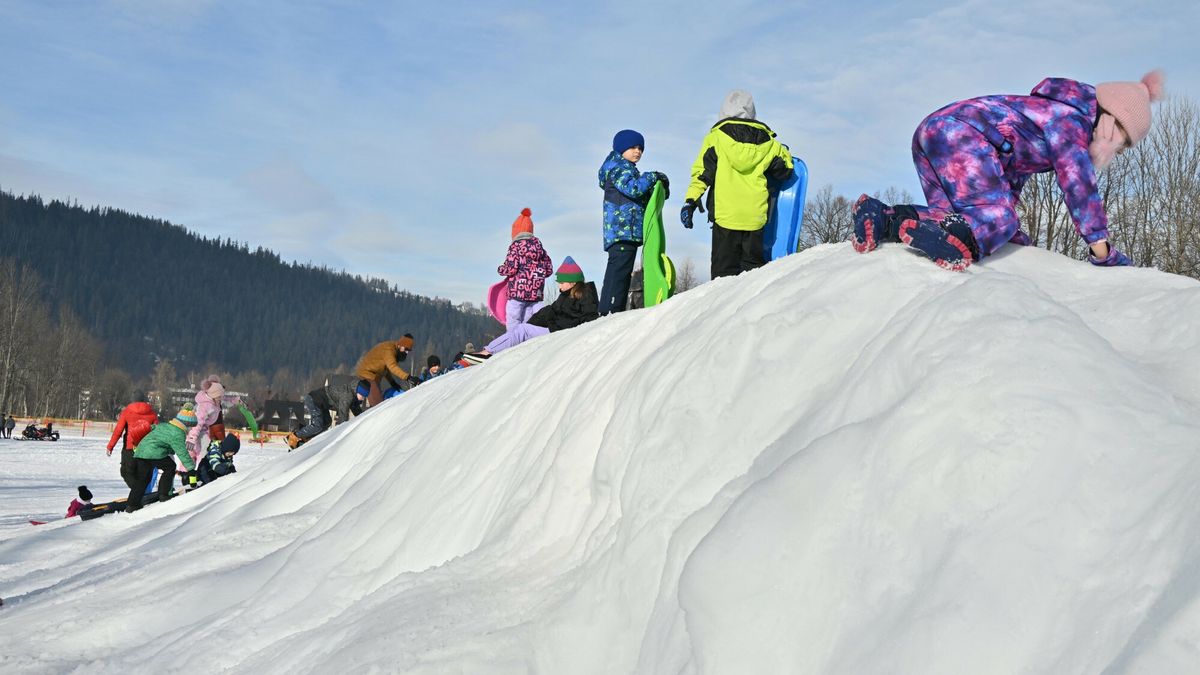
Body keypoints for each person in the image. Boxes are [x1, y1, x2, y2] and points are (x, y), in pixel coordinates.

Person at [851, 72, 1166, 270]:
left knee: (957, 221)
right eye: (1123, 144)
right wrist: (1103, 250)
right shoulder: (1073, 124)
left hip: (934, 131)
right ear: (1112, 124)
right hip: (961, 136)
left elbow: (1010, 171)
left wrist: (1009, 235)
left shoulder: (1050, 114)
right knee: (993, 220)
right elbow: (1079, 187)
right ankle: (953, 244)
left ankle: (883, 217)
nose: (1120, 152)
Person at [681, 89, 794, 279]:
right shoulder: (770, 143)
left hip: (726, 216)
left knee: (722, 276)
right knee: (752, 276)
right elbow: (785, 171)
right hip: (754, 217)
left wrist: (690, 200)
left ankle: (720, 308)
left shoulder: (716, 138)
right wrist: (785, 153)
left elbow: (702, 174)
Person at [464, 257, 598, 361]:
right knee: (523, 328)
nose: (559, 287)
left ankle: (487, 352)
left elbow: (589, 319)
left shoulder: (586, 295)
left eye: (562, 283)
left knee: (522, 330)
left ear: (573, 282)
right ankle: (491, 351)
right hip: (555, 329)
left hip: (559, 332)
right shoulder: (565, 296)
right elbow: (549, 312)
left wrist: (557, 325)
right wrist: (532, 323)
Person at [598, 129, 669, 315]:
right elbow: (634, 189)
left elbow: (640, 198)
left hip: (626, 233)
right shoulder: (618, 168)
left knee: (620, 272)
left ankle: (610, 309)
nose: (637, 151)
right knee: (618, 275)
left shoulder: (626, 168)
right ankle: (611, 311)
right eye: (633, 147)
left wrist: (659, 191)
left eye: (640, 148)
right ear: (621, 149)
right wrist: (653, 176)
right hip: (622, 232)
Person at [127, 403, 198, 512]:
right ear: (186, 424)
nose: (190, 429)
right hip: (154, 453)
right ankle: (164, 494)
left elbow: (151, 429)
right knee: (170, 466)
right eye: (190, 426)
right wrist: (191, 469)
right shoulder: (178, 433)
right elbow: (182, 452)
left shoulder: (165, 425)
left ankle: (132, 504)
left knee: (143, 478)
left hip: (141, 451)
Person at [498, 207, 554, 331]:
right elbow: (549, 269)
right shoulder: (540, 248)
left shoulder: (515, 246)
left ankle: (512, 339)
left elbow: (511, 268)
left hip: (518, 291)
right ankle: (528, 339)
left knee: (513, 316)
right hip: (536, 293)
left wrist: (501, 269)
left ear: (515, 233)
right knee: (528, 319)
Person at [286, 375, 370, 450]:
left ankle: (305, 438)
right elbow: (343, 415)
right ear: (358, 391)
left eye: (364, 397)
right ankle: (293, 436)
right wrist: (342, 433)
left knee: (327, 422)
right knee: (318, 425)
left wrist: (365, 419)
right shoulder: (347, 395)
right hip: (314, 400)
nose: (363, 399)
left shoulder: (353, 395)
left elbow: (357, 411)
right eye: (362, 396)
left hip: (322, 404)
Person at [106, 393, 160, 490]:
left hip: (129, 448)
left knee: (126, 472)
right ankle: (141, 493)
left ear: (132, 400)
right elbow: (157, 432)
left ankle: (137, 492)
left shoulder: (126, 412)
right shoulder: (152, 413)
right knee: (143, 474)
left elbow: (118, 430)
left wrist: (110, 446)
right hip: (146, 449)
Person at [184, 375, 226, 487]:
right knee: (201, 456)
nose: (220, 399)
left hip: (203, 432)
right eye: (219, 397)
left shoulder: (213, 400)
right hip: (197, 434)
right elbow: (197, 423)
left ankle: (195, 477)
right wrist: (192, 438)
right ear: (213, 395)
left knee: (202, 455)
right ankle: (194, 478)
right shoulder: (206, 406)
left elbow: (226, 399)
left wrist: (236, 400)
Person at [355, 335, 415, 405]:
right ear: (400, 345)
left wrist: (392, 382)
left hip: (373, 377)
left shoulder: (394, 351)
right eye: (406, 349)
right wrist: (408, 377)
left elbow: (385, 369)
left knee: (378, 402)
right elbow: (393, 367)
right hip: (367, 376)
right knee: (377, 405)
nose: (406, 353)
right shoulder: (389, 350)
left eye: (408, 351)